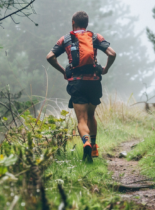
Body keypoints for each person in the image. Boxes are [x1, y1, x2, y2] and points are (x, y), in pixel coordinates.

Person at [46, 11, 116, 162]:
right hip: (94, 82)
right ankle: (94, 146)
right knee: (91, 115)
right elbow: (112, 54)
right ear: (87, 24)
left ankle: (86, 143)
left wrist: (63, 71)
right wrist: (106, 69)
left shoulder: (65, 39)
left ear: (73, 22)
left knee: (82, 120)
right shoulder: (95, 37)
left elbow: (50, 57)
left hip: (77, 83)